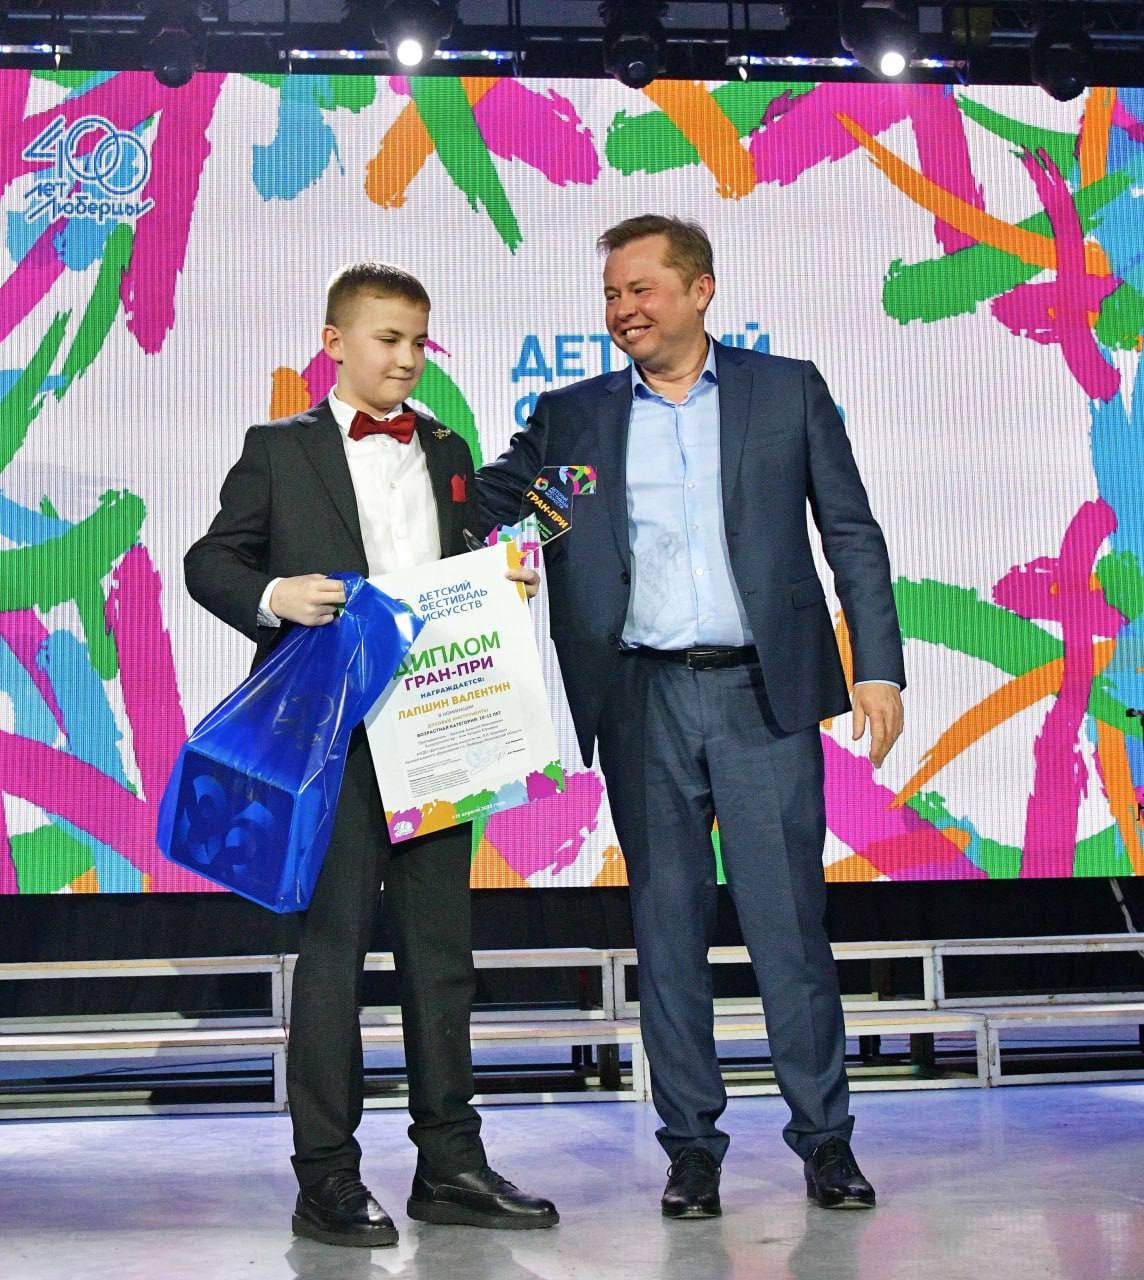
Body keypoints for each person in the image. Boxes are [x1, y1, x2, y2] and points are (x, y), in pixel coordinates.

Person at [478, 216, 905, 1217]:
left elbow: (850, 534)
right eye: (611, 294)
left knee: (788, 929)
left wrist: (878, 670)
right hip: (641, 700)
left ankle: (826, 1144)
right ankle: (691, 1152)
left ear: (700, 290)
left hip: (764, 695)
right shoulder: (573, 417)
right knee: (666, 935)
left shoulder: (785, 391)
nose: (623, 309)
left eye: (642, 289)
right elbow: (503, 501)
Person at [184, 261, 558, 1248]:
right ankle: (328, 1176)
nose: (406, 358)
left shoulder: (449, 448)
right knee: (334, 955)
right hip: (332, 736)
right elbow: (210, 560)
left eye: (419, 341)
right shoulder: (279, 448)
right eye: (388, 339)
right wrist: (275, 596)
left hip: (440, 729)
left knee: (441, 956)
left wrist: (505, 580)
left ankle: (451, 1165)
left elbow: (464, 564)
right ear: (335, 341)